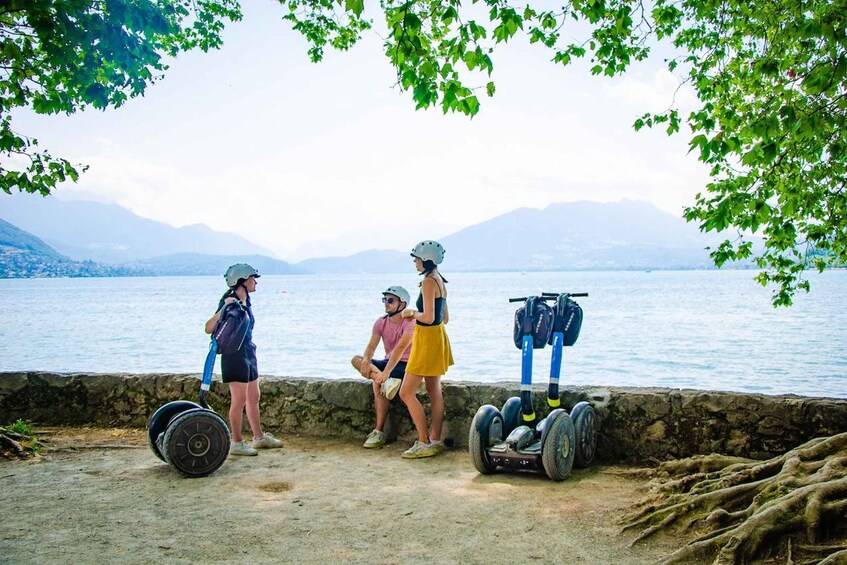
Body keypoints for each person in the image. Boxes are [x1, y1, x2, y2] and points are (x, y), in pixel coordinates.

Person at [205, 263, 283, 456]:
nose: (255, 281)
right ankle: (236, 442)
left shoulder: (246, 300)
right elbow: (208, 328)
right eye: (252, 278)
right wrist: (225, 308)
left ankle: (259, 437)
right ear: (241, 281)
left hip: (248, 351)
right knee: (238, 400)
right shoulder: (229, 300)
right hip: (234, 355)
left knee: (253, 397)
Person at [399, 240, 454, 459]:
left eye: (417, 258)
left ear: (426, 259)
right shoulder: (440, 280)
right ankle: (435, 440)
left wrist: (411, 313)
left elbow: (429, 317)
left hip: (427, 340)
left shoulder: (428, 283)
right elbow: (445, 318)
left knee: (406, 392)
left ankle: (423, 441)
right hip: (438, 337)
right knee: (434, 391)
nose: (414, 262)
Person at [350, 286, 415, 448]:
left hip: (405, 363)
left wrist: (385, 373)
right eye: (385, 300)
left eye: (390, 300)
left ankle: (378, 431)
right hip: (388, 362)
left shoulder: (410, 322)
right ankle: (386, 382)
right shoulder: (381, 322)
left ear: (402, 304)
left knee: (376, 383)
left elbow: (400, 349)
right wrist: (366, 361)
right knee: (356, 359)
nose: (386, 303)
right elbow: (371, 346)